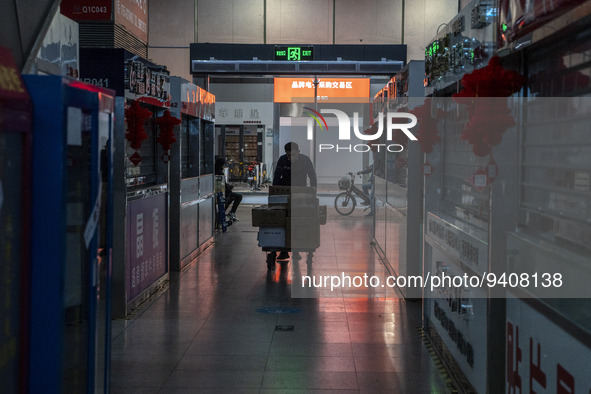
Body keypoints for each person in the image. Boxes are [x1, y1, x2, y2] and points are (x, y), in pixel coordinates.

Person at [272, 142, 317, 260]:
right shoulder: (282, 160)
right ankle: (283, 251)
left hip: (300, 193)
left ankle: (296, 250)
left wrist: (313, 190)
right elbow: (277, 176)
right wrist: (275, 192)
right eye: (288, 155)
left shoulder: (305, 160)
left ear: (298, 151)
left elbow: (312, 175)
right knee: (283, 221)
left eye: (293, 154)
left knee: (298, 221)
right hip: (285, 192)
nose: (290, 157)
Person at [215, 156, 242, 222]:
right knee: (239, 197)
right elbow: (222, 184)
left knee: (232, 198)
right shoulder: (219, 173)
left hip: (223, 191)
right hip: (223, 193)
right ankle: (230, 213)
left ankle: (224, 214)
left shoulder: (217, 170)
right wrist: (229, 187)